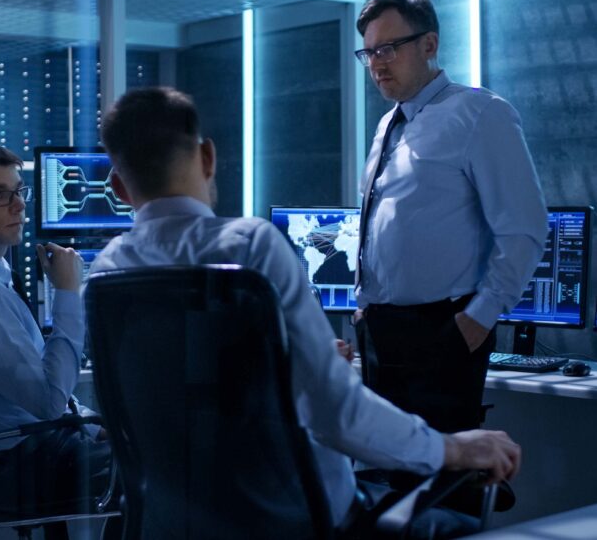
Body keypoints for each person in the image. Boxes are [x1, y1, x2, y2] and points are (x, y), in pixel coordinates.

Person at [90, 86, 522, 537]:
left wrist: (285, 369)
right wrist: (451, 448)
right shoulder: (248, 246)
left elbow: (177, 397)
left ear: (119, 187)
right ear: (208, 157)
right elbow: (336, 412)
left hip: (172, 525)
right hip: (287, 519)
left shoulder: (108, 270)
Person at [353, 0, 549, 433]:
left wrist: (479, 318)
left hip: (442, 331)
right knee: (389, 475)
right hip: (381, 332)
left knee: (441, 480)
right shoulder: (389, 124)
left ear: (429, 45)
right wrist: (364, 307)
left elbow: (525, 226)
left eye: (388, 48)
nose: (377, 64)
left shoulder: (480, 113)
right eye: (368, 52)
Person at [0, 142, 117, 539]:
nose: (18, 206)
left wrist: (88, 425)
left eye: (18, 191)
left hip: (34, 450)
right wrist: (68, 291)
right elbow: (48, 402)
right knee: (160, 461)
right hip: (16, 465)